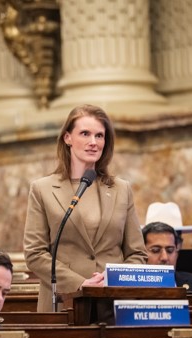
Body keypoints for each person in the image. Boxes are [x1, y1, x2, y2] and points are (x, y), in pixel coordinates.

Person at [23, 104, 148, 312]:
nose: (93, 142)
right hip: (64, 303)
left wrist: (113, 279)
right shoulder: (42, 189)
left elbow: (138, 253)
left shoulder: (121, 189)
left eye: (99, 136)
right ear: (67, 138)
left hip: (112, 304)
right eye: (85, 133)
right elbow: (35, 254)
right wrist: (79, 284)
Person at [142, 221, 192, 294]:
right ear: (142, 253)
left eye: (170, 250)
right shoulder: (130, 287)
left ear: (177, 253)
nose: (164, 257)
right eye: (156, 250)